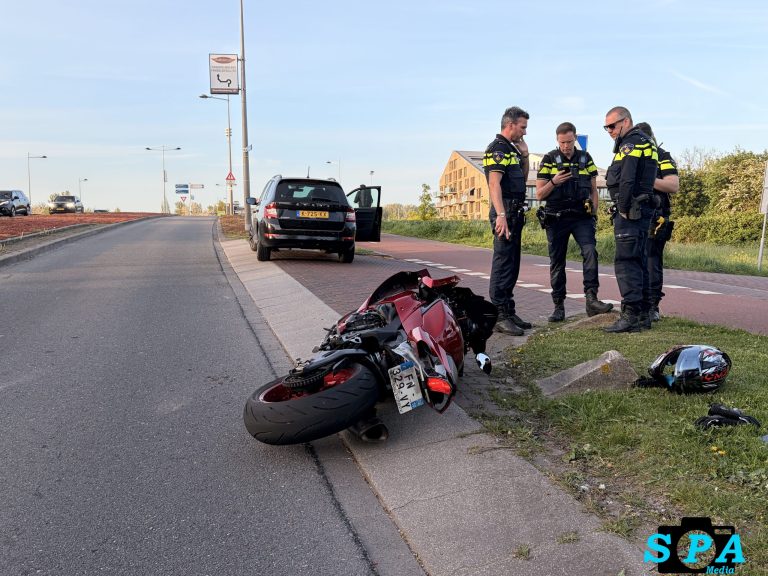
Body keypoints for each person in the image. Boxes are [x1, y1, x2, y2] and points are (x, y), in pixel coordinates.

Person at [536, 122, 613, 322]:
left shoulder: (586, 159)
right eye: (562, 142)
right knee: (557, 261)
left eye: (569, 142)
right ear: (557, 140)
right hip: (556, 217)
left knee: (590, 252)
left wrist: (594, 214)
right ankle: (558, 306)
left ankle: (592, 299)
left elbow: (593, 190)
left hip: (581, 216)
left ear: (575, 138)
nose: (566, 146)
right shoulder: (548, 159)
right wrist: (554, 181)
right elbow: (539, 194)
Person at [603, 106, 658, 333]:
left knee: (626, 263)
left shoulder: (631, 143)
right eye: (606, 128)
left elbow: (626, 179)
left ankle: (630, 315)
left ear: (625, 122)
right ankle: (644, 313)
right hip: (643, 208)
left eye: (612, 126)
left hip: (632, 210)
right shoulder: (647, 142)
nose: (609, 131)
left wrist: (623, 207)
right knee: (640, 260)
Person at [483, 106, 533, 336]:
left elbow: (521, 181)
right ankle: (499, 315)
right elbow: (494, 184)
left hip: (515, 212)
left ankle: (509, 311)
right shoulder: (497, 149)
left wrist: (525, 156)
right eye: (522, 127)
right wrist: (501, 215)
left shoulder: (512, 150)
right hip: (505, 213)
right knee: (503, 263)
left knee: (512, 264)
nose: (524, 132)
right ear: (510, 124)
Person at [634, 122, 679, 322]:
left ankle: (652, 306)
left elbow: (673, 184)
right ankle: (637, 305)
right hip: (635, 214)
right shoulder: (631, 155)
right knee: (634, 260)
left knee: (652, 261)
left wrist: (645, 180)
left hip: (656, 216)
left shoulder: (662, 155)